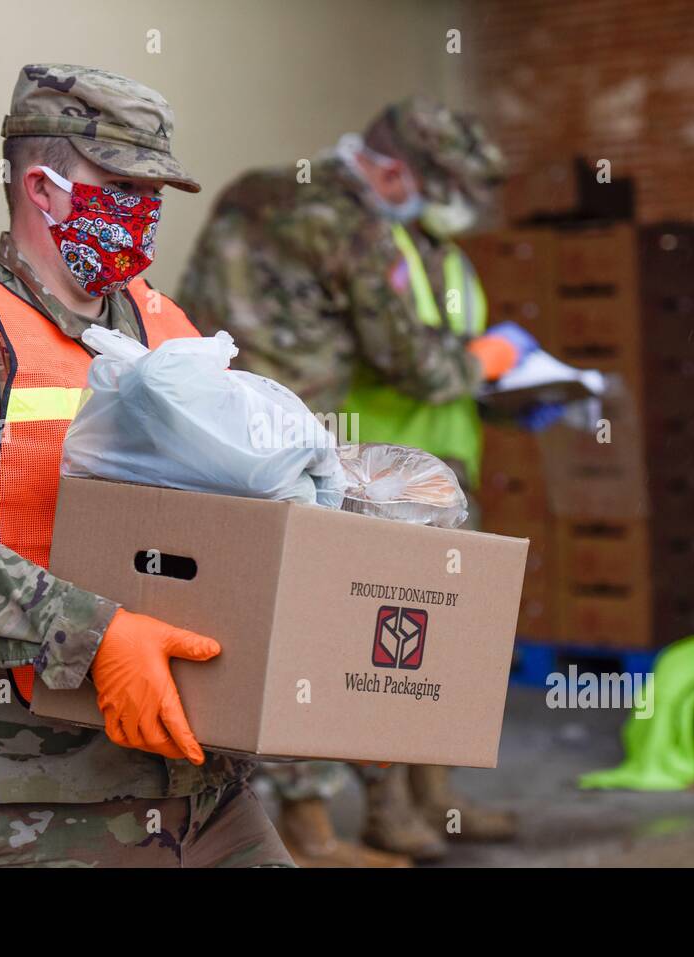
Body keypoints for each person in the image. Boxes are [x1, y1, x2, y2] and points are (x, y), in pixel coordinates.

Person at [0, 64, 293, 868]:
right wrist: (97, 635)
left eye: (155, 191)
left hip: (198, 777)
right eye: (121, 185)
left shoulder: (166, 328)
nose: (144, 212)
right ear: (42, 189)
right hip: (33, 787)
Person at [178, 96, 543, 864]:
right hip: (307, 444)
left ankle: (359, 817)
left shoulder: (258, 188)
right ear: (392, 169)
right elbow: (418, 362)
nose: (448, 213)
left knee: (271, 631)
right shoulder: (358, 229)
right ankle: (313, 836)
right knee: (333, 640)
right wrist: (498, 363)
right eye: (441, 192)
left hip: (208, 423)